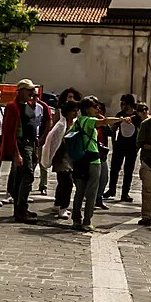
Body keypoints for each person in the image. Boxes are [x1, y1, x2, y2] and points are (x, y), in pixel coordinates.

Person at [1, 80, 43, 223]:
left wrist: (35, 148)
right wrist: (16, 153)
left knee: (22, 177)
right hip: (21, 144)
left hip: (30, 144)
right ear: (21, 91)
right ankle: (21, 210)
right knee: (27, 176)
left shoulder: (28, 105)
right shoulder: (13, 107)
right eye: (28, 90)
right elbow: (10, 132)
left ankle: (21, 208)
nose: (31, 93)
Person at [67, 96, 102, 232]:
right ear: (87, 109)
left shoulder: (78, 121)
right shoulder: (90, 120)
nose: (97, 109)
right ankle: (87, 221)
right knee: (91, 192)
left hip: (80, 159)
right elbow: (104, 122)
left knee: (79, 191)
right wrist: (121, 119)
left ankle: (76, 220)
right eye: (95, 107)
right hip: (92, 159)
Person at [42, 101, 78, 216]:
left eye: (76, 110)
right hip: (61, 157)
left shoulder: (75, 123)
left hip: (70, 157)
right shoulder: (61, 125)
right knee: (67, 182)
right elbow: (53, 142)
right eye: (73, 111)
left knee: (62, 182)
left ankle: (58, 204)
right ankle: (63, 207)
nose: (75, 113)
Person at [111, 101, 140, 202]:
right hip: (120, 145)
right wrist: (113, 141)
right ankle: (112, 189)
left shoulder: (137, 117)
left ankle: (125, 193)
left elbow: (140, 130)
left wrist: (137, 146)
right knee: (114, 168)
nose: (122, 106)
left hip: (132, 147)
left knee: (128, 171)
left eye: (123, 104)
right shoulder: (120, 115)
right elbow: (114, 128)